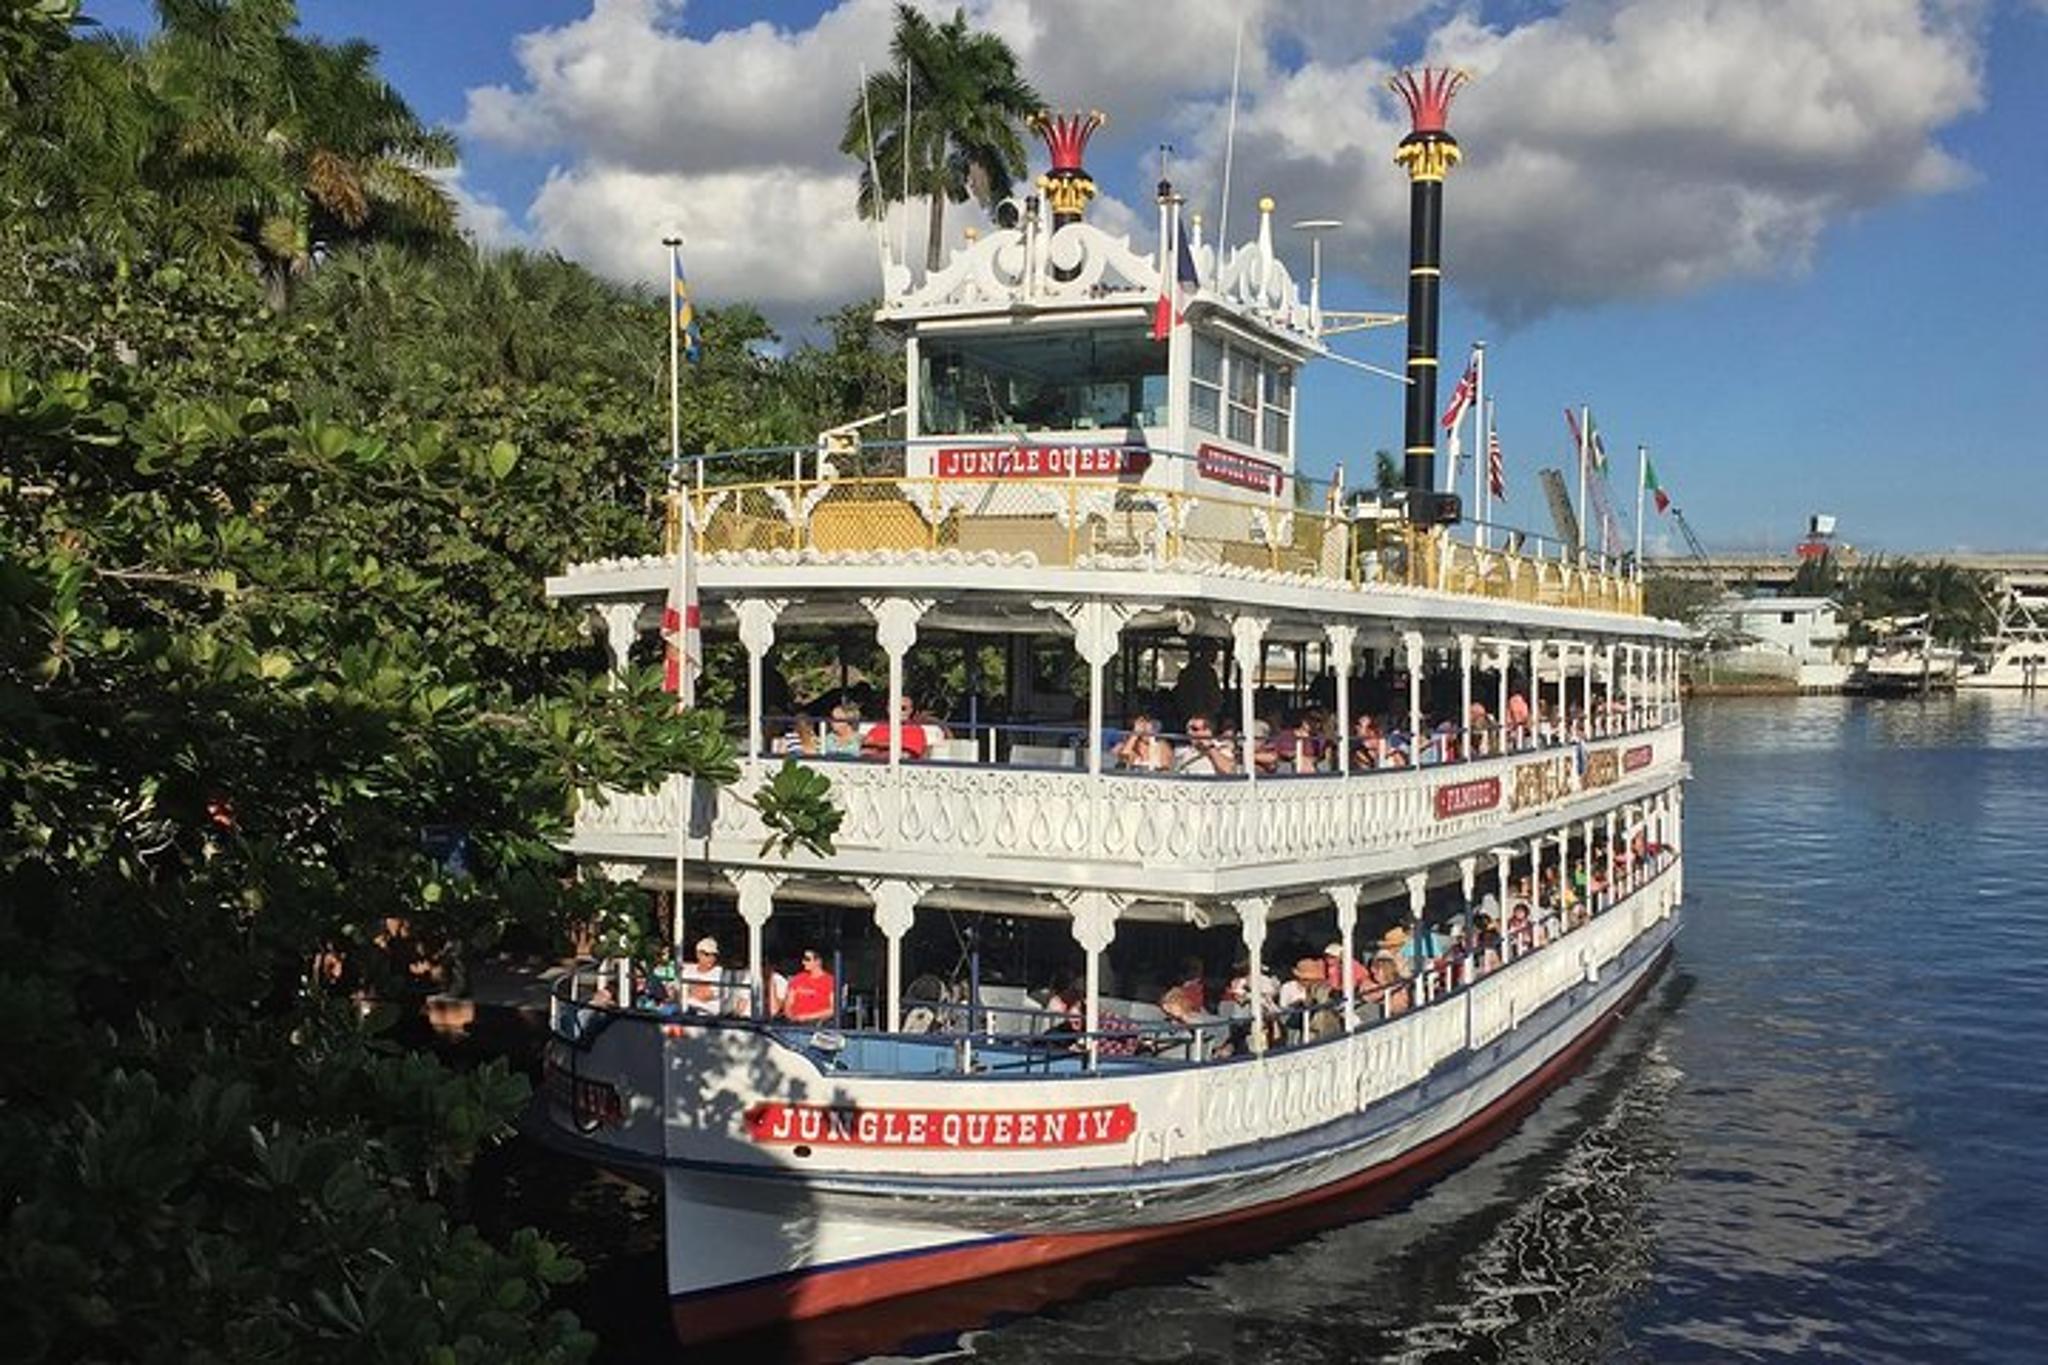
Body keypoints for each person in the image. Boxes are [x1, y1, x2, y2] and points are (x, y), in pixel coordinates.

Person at [1171, 642, 1224, 729]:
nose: (1216, 656)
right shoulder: (1207, 672)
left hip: (1187, 714)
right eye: (1214, 652)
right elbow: (1213, 695)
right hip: (1201, 714)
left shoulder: (1188, 670)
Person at [862, 695, 930, 760]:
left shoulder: (916, 730)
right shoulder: (877, 728)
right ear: (888, 709)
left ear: (910, 710)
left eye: (903, 708)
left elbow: (907, 754)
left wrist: (880, 746)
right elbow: (866, 750)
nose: (898, 711)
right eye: (894, 707)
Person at [779, 948, 838, 1024]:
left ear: (818, 961)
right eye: (803, 959)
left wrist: (808, 1017)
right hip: (794, 1025)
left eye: (807, 959)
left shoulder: (830, 981)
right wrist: (791, 1017)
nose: (803, 962)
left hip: (818, 1025)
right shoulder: (797, 979)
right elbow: (788, 1003)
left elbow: (833, 1009)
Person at [676, 936, 731, 1015]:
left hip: (708, 1016)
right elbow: (676, 991)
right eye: (707, 954)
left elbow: (704, 996)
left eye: (714, 955)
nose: (711, 958)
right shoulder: (688, 970)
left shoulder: (721, 973)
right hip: (684, 1012)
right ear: (698, 954)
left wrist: (689, 989)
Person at [1173, 715, 1239, 775]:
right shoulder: (1182, 751)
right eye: (1195, 729)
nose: (1200, 733)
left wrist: (1210, 748)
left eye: (1204, 728)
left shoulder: (1222, 747)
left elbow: (1228, 771)